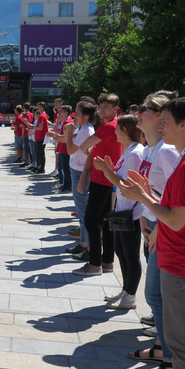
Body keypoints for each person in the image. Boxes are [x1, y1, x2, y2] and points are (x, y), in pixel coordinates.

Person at [120, 98, 185, 369]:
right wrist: (147, 195)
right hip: (183, 258)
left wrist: (143, 198)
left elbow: (175, 220)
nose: (160, 127)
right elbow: (174, 209)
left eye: (165, 121)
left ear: (183, 124)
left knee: (182, 344)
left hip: (183, 262)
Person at [125, 91, 179, 369]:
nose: (139, 112)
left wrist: (158, 225)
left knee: (156, 296)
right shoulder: (149, 148)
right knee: (156, 294)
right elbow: (151, 191)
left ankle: (170, 362)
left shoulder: (167, 151)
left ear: (159, 117)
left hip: (162, 229)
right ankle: (161, 347)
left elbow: (174, 196)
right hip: (152, 226)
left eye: (145, 108)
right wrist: (146, 218)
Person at [92, 115, 144, 309]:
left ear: (125, 130)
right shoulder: (129, 151)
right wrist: (111, 169)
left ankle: (130, 296)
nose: (114, 132)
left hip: (132, 212)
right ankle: (126, 289)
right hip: (123, 208)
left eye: (117, 129)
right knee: (121, 253)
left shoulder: (136, 153)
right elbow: (122, 177)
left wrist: (106, 171)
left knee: (130, 255)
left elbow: (128, 185)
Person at [73, 93, 122, 276]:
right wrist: (85, 172)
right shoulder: (109, 126)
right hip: (103, 179)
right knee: (105, 223)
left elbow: (86, 146)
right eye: (100, 106)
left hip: (103, 180)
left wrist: (88, 150)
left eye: (106, 107)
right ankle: (107, 261)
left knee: (91, 221)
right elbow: (92, 150)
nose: (101, 110)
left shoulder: (109, 127)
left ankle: (95, 264)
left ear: (115, 109)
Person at [63, 100, 98, 260]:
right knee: (81, 210)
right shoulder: (83, 129)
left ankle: (88, 247)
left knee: (83, 212)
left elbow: (70, 150)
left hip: (80, 171)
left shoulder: (85, 130)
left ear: (85, 115)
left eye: (77, 113)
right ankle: (84, 244)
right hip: (77, 170)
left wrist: (68, 132)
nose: (74, 116)